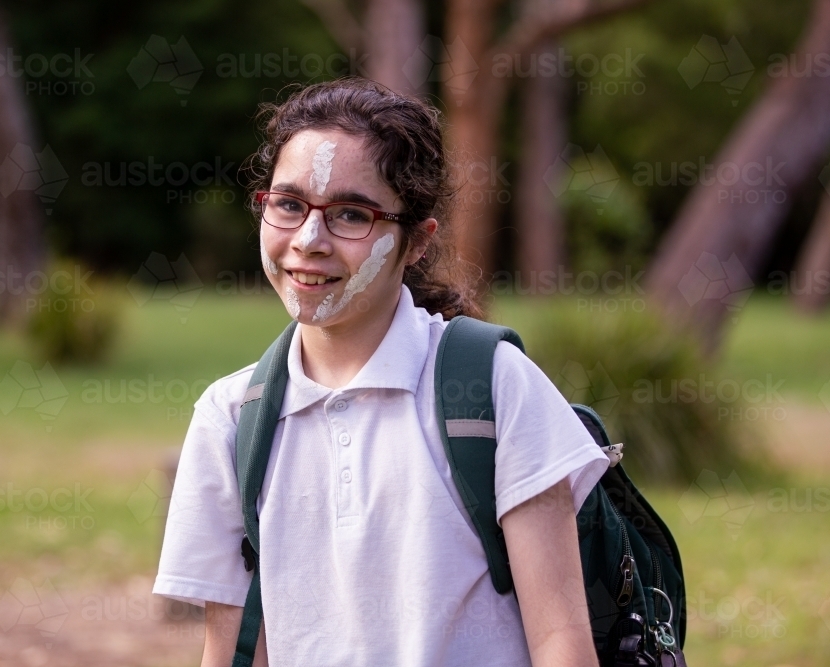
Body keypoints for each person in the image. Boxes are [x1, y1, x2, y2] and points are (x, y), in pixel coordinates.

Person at [153, 77, 609, 667]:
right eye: (288, 205)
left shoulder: (495, 386)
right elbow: (233, 652)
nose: (309, 241)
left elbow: (562, 641)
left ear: (416, 242)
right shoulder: (231, 416)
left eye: (350, 215)